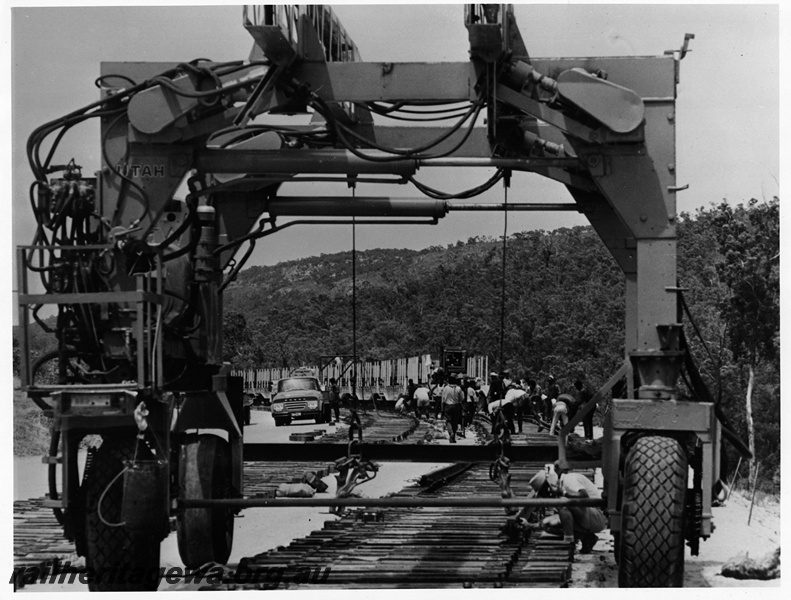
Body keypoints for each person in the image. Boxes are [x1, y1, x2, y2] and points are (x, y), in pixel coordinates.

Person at [532, 459, 607, 553]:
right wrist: (530, 525)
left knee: (562, 503)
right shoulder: (561, 485)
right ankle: (587, 538)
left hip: (597, 516)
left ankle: (568, 543)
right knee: (546, 524)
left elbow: (584, 495)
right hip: (586, 516)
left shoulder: (569, 479)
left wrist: (563, 493)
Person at [441, 374, 465, 443]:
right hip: (456, 406)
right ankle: (453, 436)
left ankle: (451, 433)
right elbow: (462, 398)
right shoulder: (458, 388)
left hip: (448, 406)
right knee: (455, 422)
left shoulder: (445, 388)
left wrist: (442, 409)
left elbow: (443, 399)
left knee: (448, 421)